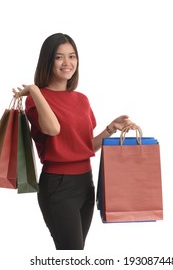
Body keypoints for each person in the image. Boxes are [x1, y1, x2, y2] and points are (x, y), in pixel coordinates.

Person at [12, 33, 132, 250]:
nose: (67, 63)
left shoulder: (81, 99)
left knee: (76, 253)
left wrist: (110, 129)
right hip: (58, 185)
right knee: (71, 253)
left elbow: (85, 147)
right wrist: (35, 90)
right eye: (59, 57)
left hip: (86, 183)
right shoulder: (35, 100)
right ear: (48, 61)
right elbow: (52, 128)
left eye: (72, 57)